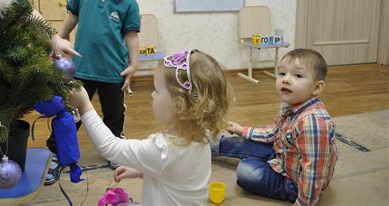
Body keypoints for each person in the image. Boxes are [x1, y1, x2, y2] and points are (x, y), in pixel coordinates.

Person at [68, 49, 231, 205]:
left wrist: (84, 105)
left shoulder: (163, 151)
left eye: (157, 90)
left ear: (178, 105)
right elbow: (178, 173)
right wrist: (144, 170)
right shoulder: (203, 138)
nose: (152, 94)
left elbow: (110, 147)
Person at [53, 0, 140, 169]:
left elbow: (131, 37)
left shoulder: (129, 4)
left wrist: (133, 64)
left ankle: (114, 149)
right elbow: (72, 17)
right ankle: (57, 151)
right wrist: (58, 40)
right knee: (71, 112)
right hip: (81, 68)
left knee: (114, 115)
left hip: (114, 71)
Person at [211, 48, 338, 205]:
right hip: (281, 154)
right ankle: (208, 145)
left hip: (293, 182)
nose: (286, 80)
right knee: (239, 141)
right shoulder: (289, 104)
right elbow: (273, 132)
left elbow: (313, 173)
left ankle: (275, 178)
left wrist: (303, 203)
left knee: (246, 172)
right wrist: (242, 130)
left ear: (317, 88)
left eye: (297, 75)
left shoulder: (313, 123)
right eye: (282, 73)